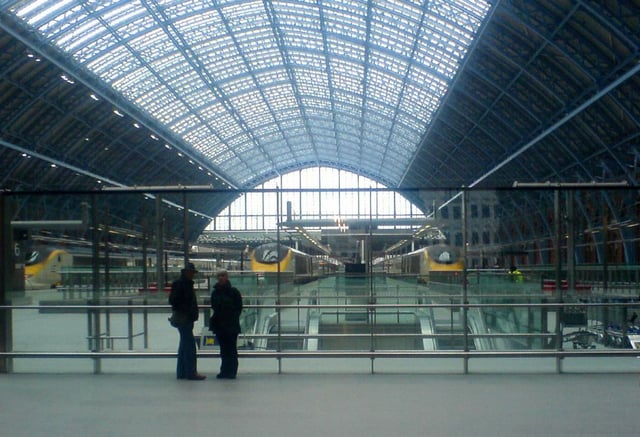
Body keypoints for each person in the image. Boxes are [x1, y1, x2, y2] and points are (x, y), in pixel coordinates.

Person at [169, 262, 206, 381]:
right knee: (189, 346)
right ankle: (191, 372)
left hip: (185, 319)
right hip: (184, 319)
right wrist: (187, 310)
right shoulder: (182, 284)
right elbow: (174, 301)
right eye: (191, 272)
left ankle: (181, 372)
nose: (192, 274)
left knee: (184, 345)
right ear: (186, 272)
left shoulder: (184, 284)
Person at [210, 269, 243, 379]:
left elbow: (238, 307)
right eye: (219, 276)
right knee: (224, 349)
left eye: (223, 275)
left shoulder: (233, 292)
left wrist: (232, 316)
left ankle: (231, 371)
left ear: (227, 277)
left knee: (231, 349)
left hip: (230, 325)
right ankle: (225, 370)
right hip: (221, 325)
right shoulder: (216, 292)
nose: (221, 278)